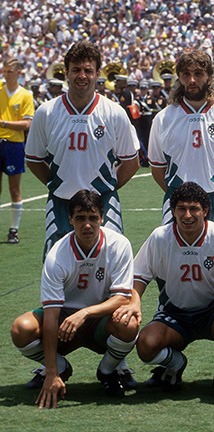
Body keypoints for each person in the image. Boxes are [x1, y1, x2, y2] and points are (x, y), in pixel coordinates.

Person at [113, 182, 214, 398]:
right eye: (181, 209)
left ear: (205, 210)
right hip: (175, 313)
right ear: (173, 211)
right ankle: (175, 364)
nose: (188, 215)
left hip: (212, 313)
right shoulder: (160, 237)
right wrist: (134, 302)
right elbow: (140, 275)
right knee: (146, 345)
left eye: (194, 208)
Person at [10, 190, 139, 408]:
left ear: (102, 218)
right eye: (80, 218)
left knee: (129, 324)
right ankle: (59, 369)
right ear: (70, 219)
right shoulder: (57, 254)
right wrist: (51, 372)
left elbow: (121, 298)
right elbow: (51, 316)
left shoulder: (119, 244)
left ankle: (108, 371)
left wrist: (85, 313)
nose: (87, 225)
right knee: (21, 328)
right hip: (63, 321)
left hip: (99, 320)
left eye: (93, 217)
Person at [25, 41, 139, 256]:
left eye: (88, 70)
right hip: (61, 204)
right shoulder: (46, 113)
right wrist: (58, 183)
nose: (82, 76)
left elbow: (131, 162)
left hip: (103, 202)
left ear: (97, 74)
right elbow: (33, 159)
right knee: (58, 270)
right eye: (76, 70)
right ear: (66, 73)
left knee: (110, 268)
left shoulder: (114, 112)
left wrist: (108, 186)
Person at [148, 50, 214, 252]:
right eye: (186, 74)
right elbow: (157, 168)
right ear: (179, 77)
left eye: (198, 73)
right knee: (173, 262)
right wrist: (180, 196)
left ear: (209, 76)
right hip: (178, 202)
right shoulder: (163, 118)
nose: (192, 80)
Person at [0, 58, 34, 243]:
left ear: (18, 73)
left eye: (9, 71)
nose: (6, 75)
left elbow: (27, 123)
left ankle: (14, 230)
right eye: (4, 71)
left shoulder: (25, 95)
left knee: (14, 188)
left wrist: (4, 123)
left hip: (14, 145)